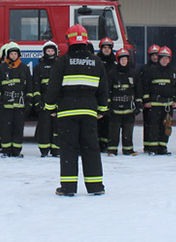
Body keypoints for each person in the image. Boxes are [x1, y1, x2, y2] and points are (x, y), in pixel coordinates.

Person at [44, 25, 109, 196]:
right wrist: (102, 109)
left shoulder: (62, 61)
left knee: (68, 148)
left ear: (68, 40)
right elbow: (103, 88)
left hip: (67, 111)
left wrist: (50, 107)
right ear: (86, 40)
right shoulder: (96, 61)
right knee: (91, 148)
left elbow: (53, 87)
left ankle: (68, 187)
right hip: (89, 111)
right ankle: (96, 186)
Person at [0, 42, 34, 157]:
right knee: (5, 128)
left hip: (19, 105)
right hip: (5, 105)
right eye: (11, 54)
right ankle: (6, 150)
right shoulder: (0, 68)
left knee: (18, 129)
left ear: (18, 55)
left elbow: (29, 87)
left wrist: (28, 102)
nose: (13, 56)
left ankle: (16, 151)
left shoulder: (24, 68)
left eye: (15, 54)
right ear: (7, 55)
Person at [141, 46, 176, 155]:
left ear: (169, 59)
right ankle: (152, 148)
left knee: (165, 127)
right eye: (163, 58)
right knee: (153, 127)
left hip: (167, 105)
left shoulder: (174, 72)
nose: (165, 60)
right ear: (159, 58)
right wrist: (146, 101)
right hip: (154, 105)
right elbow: (145, 87)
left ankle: (162, 147)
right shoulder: (151, 71)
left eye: (167, 58)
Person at [107, 48, 140, 155]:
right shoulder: (112, 73)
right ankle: (112, 149)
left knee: (128, 130)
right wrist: (108, 105)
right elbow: (108, 90)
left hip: (129, 107)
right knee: (113, 131)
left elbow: (138, 90)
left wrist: (138, 104)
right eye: (122, 59)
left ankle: (128, 149)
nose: (124, 61)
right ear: (118, 60)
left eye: (125, 59)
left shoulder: (133, 73)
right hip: (115, 108)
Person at [34, 40, 60, 157]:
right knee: (44, 127)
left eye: (52, 51)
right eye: (48, 51)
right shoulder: (39, 67)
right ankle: (44, 150)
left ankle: (56, 149)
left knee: (57, 127)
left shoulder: (60, 66)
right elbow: (36, 85)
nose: (50, 53)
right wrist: (38, 101)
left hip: (57, 101)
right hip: (44, 101)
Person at [138, 44, 160, 154]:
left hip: (160, 102)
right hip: (149, 102)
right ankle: (147, 145)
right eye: (153, 55)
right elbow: (142, 86)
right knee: (148, 124)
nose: (155, 57)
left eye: (157, 55)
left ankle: (158, 146)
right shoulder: (144, 69)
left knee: (159, 125)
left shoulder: (164, 68)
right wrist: (145, 100)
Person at [96, 37, 117, 152]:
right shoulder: (96, 61)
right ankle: (97, 143)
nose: (106, 49)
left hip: (111, 95)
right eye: (104, 47)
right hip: (97, 94)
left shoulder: (115, 62)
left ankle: (105, 143)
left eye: (109, 47)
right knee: (98, 120)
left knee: (108, 121)